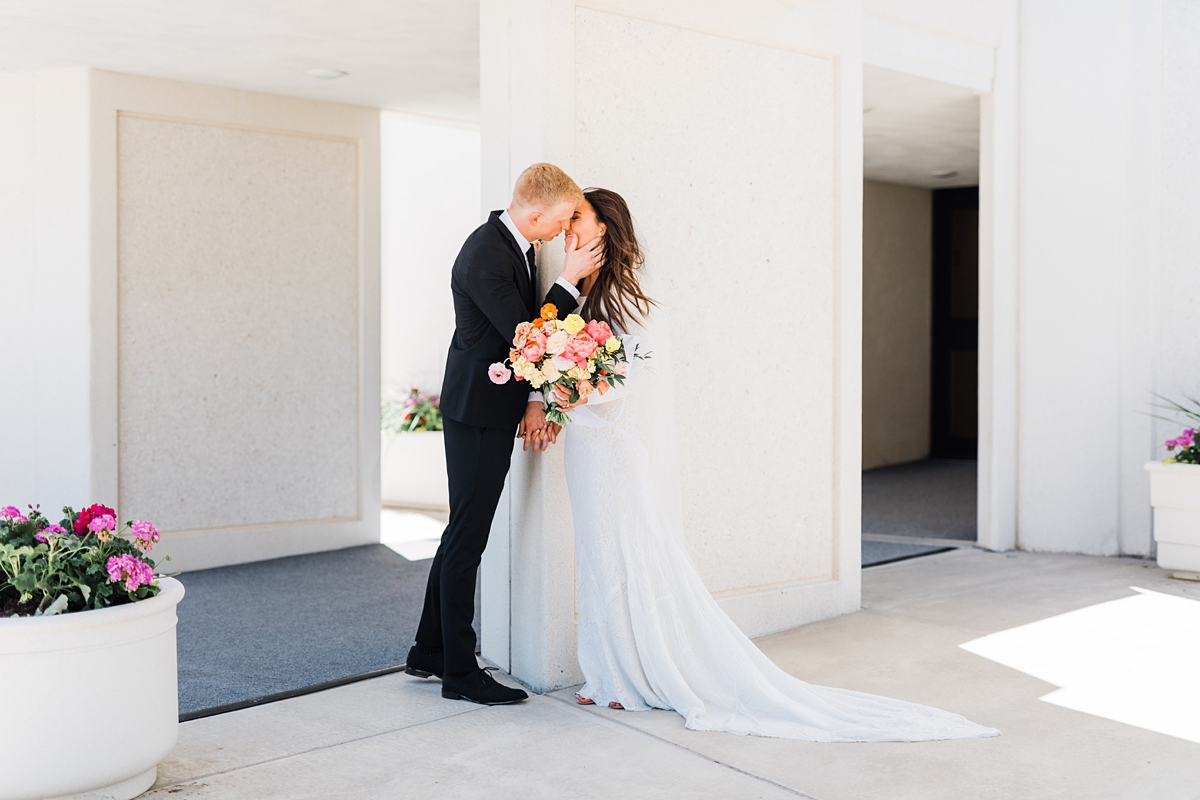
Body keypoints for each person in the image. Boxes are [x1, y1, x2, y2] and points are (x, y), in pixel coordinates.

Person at [548, 188, 999, 741]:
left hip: (618, 449)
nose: (567, 228)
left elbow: (639, 373)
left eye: (577, 218)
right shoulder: (579, 293)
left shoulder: (632, 298)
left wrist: (575, 393)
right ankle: (607, 669)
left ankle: (633, 675)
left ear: (605, 226)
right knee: (596, 557)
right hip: (586, 447)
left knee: (628, 557)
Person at [406, 164, 603, 706]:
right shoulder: (485, 255)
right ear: (537, 214)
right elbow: (527, 336)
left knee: (460, 533)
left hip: (490, 405)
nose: (567, 231)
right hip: (477, 412)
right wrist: (569, 279)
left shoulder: (516, 243)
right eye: (564, 219)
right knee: (468, 539)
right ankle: (459, 672)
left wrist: (535, 398)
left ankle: (428, 649)